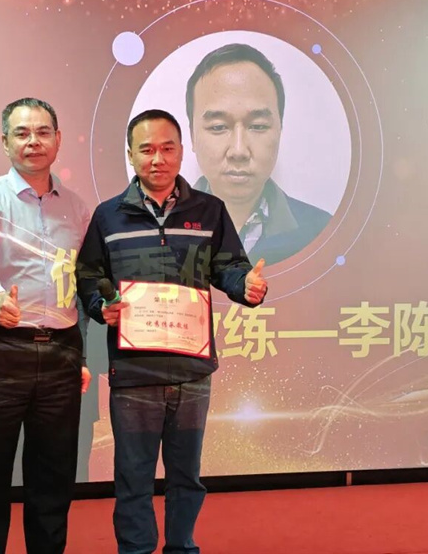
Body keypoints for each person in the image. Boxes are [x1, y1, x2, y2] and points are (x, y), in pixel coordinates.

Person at [76, 109, 267, 554]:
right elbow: (88, 277)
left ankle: (182, 547)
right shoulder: (108, 216)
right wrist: (102, 306)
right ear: (130, 155)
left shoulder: (209, 210)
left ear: (182, 152)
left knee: (186, 478)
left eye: (167, 148)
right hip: (134, 373)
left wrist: (246, 286)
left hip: (190, 371)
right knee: (133, 480)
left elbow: (229, 268)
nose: (157, 159)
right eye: (146, 150)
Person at [0, 97, 92, 554]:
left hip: (61, 350)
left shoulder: (77, 209)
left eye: (42, 132)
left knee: (53, 477)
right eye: (22, 133)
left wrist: (81, 354)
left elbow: (82, 284)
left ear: (58, 139)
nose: (33, 141)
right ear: (5, 142)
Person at [186, 43, 332, 265]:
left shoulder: (322, 232)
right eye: (218, 127)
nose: (238, 151)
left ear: (279, 130)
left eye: (258, 126)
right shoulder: (150, 232)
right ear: (192, 135)